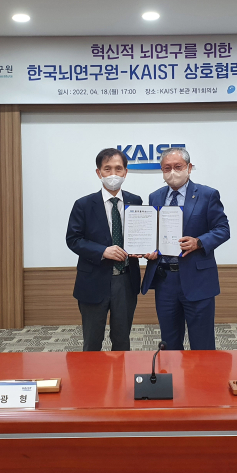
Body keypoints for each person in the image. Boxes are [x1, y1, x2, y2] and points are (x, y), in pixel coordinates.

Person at [141, 148, 230, 350]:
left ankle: (203, 373)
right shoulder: (155, 197)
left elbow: (223, 229)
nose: (172, 172)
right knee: (169, 342)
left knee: (202, 344)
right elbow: (153, 233)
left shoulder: (207, 194)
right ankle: (173, 372)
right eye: (167, 168)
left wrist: (199, 242)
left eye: (178, 166)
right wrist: (149, 249)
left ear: (189, 168)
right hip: (165, 280)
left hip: (197, 279)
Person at [66, 148, 143, 351]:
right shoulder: (83, 204)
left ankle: (120, 373)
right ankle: (91, 374)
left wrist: (146, 249)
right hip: (93, 281)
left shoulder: (136, 201)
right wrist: (102, 251)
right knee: (92, 342)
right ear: (98, 172)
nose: (113, 174)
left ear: (125, 172)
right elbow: (73, 239)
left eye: (118, 169)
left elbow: (141, 235)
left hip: (125, 281)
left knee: (122, 341)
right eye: (107, 169)